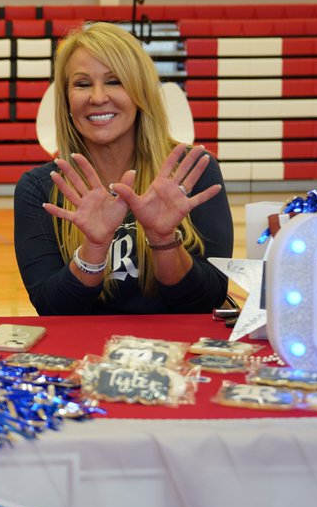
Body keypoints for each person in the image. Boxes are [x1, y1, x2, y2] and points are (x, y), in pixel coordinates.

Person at [14, 22, 233, 315]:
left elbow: (207, 301)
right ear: (66, 99)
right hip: (84, 345)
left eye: (114, 81)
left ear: (140, 92)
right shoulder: (40, 187)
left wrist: (164, 241)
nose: (98, 97)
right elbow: (52, 309)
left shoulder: (192, 171)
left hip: (176, 345)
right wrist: (94, 248)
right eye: (82, 84)